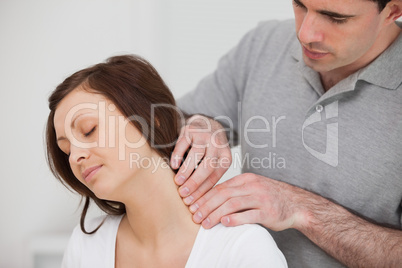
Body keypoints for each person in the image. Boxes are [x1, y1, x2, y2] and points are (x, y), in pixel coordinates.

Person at [170, 0, 402, 267]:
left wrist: (302, 210)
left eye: (335, 18)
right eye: (299, 5)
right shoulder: (265, 44)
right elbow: (170, 120)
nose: (304, 34)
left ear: (393, 11)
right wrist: (201, 124)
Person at [45, 55, 287, 267]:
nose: (75, 156)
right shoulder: (85, 246)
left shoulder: (243, 249)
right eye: (66, 150)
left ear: (152, 119)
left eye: (89, 130)